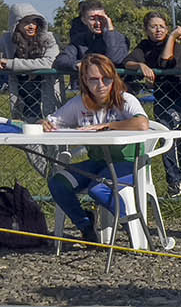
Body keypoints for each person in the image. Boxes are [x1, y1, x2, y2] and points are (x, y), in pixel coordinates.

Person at [45, 54, 150, 244]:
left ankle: (131, 225)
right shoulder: (79, 103)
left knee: (99, 188)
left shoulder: (124, 99)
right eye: (94, 80)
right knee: (58, 183)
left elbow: (142, 123)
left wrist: (107, 126)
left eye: (106, 79)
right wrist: (44, 124)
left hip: (128, 163)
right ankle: (86, 226)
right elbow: (52, 122)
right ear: (84, 80)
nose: (101, 85)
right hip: (97, 162)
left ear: (114, 78)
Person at [125, 12, 181, 197]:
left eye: (162, 26)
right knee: (176, 141)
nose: (158, 30)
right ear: (146, 29)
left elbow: (165, 62)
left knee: (165, 132)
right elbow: (127, 62)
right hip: (162, 99)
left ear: (167, 28)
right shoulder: (144, 46)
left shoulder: (176, 45)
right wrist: (140, 66)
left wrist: (172, 37)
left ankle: (174, 182)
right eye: (153, 26)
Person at [0, 3, 62, 122]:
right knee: (24, 133)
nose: (31, 26)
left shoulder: (49, 38)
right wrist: (1, 64)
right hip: (21, 97)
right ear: (16, 24)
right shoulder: (7, 39)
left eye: (34, 22)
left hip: (47, 95)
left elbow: (49, 63)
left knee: (51, 132)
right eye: (26, 22)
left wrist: (10, 64)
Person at [54, 0, 131, 72]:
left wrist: (110, 32)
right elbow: (60, 61)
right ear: (84, 20)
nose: (97, 23)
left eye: (101, 18)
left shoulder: (121, 39)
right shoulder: (79, 40)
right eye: (92, 19)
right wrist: (77, 65)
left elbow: (114, 59)